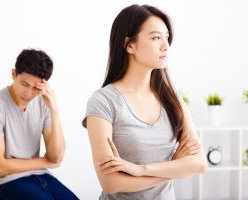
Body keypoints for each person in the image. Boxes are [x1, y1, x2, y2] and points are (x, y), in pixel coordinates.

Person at [82, 4, 208, 200]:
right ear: (129, 45)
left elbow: (199, 163)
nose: (165, 46)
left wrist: (141, 170)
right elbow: (111, 183)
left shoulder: (172, 98)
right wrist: (173, 167)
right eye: (156, 37)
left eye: (166, 37)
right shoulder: (103, 101)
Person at [0, 49, 79, 200]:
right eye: (24, 84)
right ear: (13, 74)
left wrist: (54, 110)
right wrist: (44, 161)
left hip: (40, 175)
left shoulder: (44, 103)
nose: (29, 93)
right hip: (6, 183)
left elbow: (56, 156)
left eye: (36, 88)